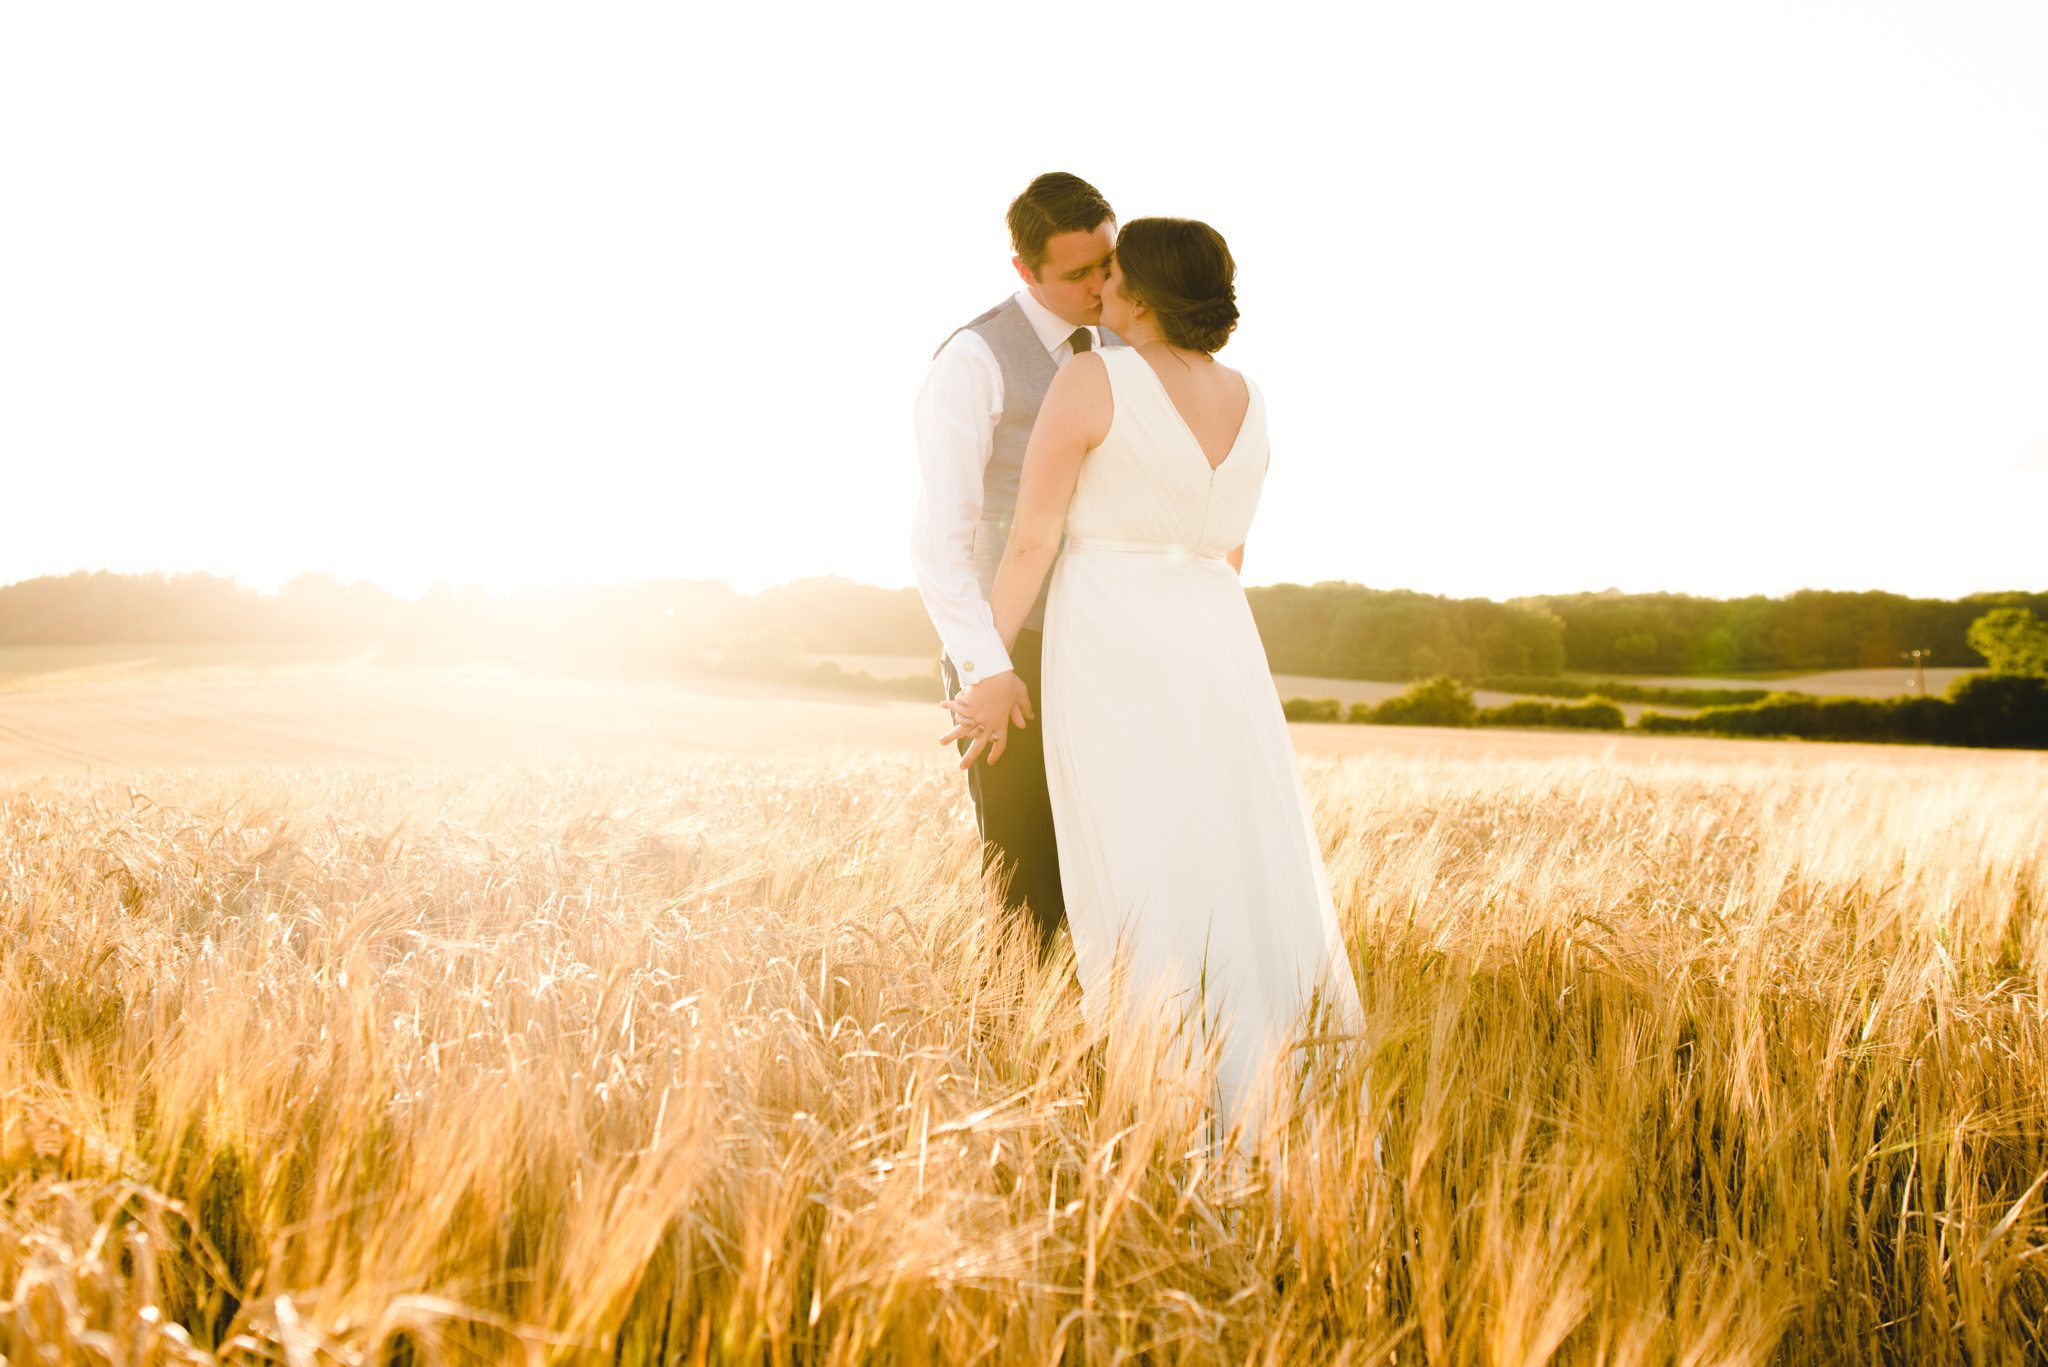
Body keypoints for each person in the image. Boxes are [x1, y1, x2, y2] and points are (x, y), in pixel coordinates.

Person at [941, 216, 1369, 1158]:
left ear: (1139, 291)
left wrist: (987, 665)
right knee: (1229, 851)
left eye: (1114, 275)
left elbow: (1030, 540)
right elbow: (1232, 548)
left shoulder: (1091, 378)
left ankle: (1168, 1089)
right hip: (1219, 641)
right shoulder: (1250, 397)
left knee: (1134, 857)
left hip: (1114, 639)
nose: (1102, 290)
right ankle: (1273, 1087)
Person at [911, 172, 1122, 959]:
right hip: (1012, 644)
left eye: (1109, 260)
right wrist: (985, 666)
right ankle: (1018, 1048)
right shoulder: (973, 359)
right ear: (1024, 271)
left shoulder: (1132, 341)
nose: (1102, 285)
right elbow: (943, 538)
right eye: (1078, 274)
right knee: (1025, 871)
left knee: (1108, 866)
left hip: (1107, 641)